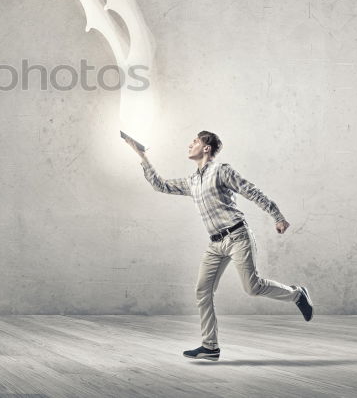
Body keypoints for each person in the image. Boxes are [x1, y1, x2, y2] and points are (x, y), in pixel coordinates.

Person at [124, 130, 312, 361]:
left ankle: (296, 294)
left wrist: (278, 216)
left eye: (194, 141)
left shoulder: (222, 171)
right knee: (202, 290)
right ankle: (210, 346)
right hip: (215, 245)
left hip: (238, 237)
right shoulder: (192, 181)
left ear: (206, 148)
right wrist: (141, 155)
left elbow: (251, 191)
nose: (189, 144)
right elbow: (161, 185)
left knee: (252, 288)